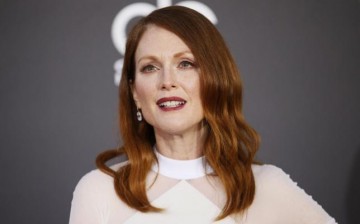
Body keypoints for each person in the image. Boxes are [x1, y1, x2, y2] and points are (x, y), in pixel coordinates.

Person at [69, 6, 336, 224]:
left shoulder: (265, 186)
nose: (167, 81)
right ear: (135, 92)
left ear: (215, 79)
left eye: (185, 63)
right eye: (150, 67)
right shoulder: (99, 190)